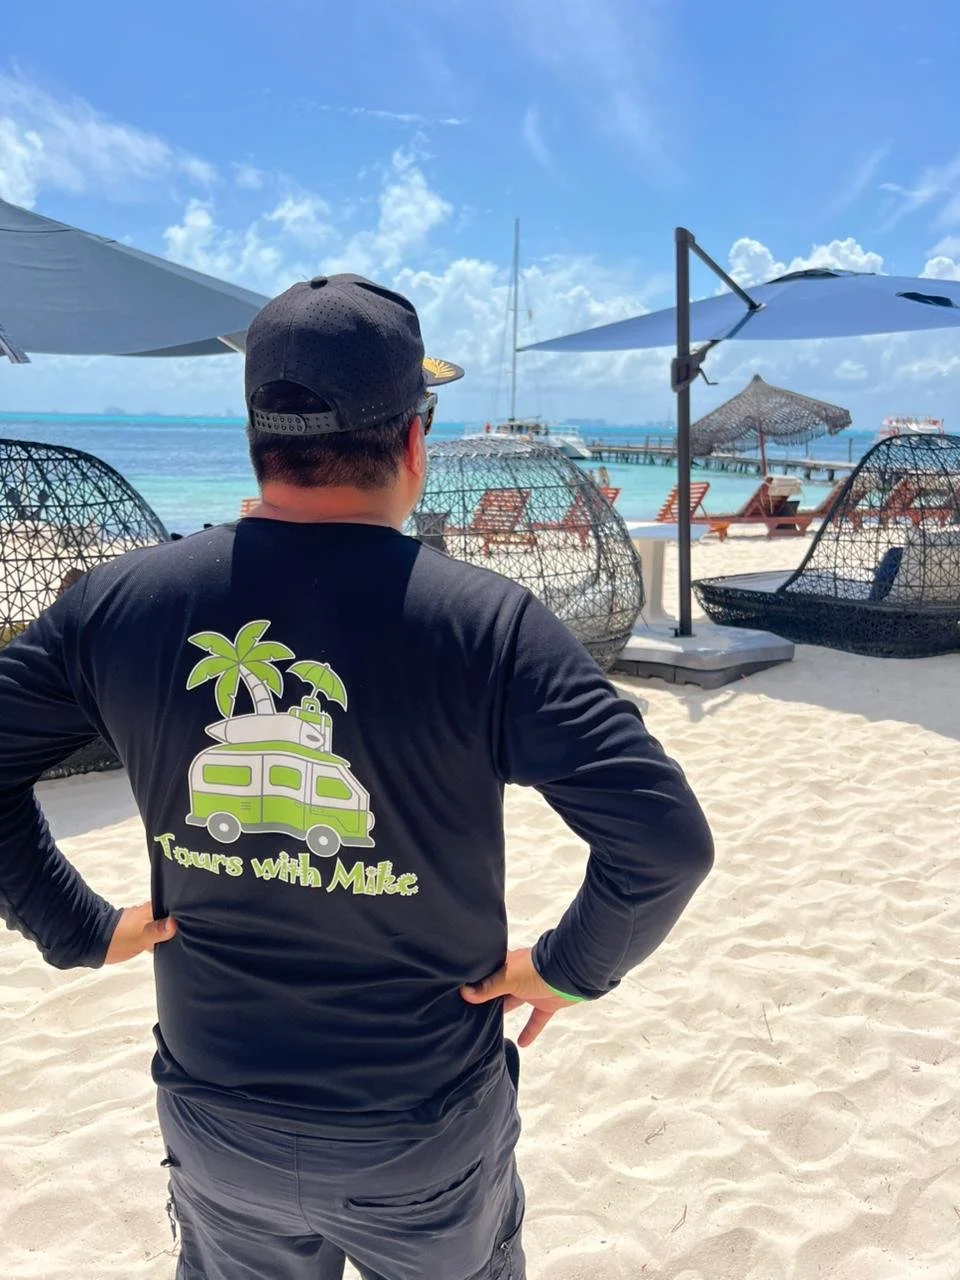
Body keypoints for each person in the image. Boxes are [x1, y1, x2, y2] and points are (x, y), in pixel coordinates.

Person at [0, 273, 713, 1280]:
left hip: (218, 1114)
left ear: (256, 437)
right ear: (415, 441)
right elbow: (664, 842)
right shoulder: (489, 626)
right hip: (419, 1129)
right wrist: (566, 967)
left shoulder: (123, 603)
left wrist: (74, 925)